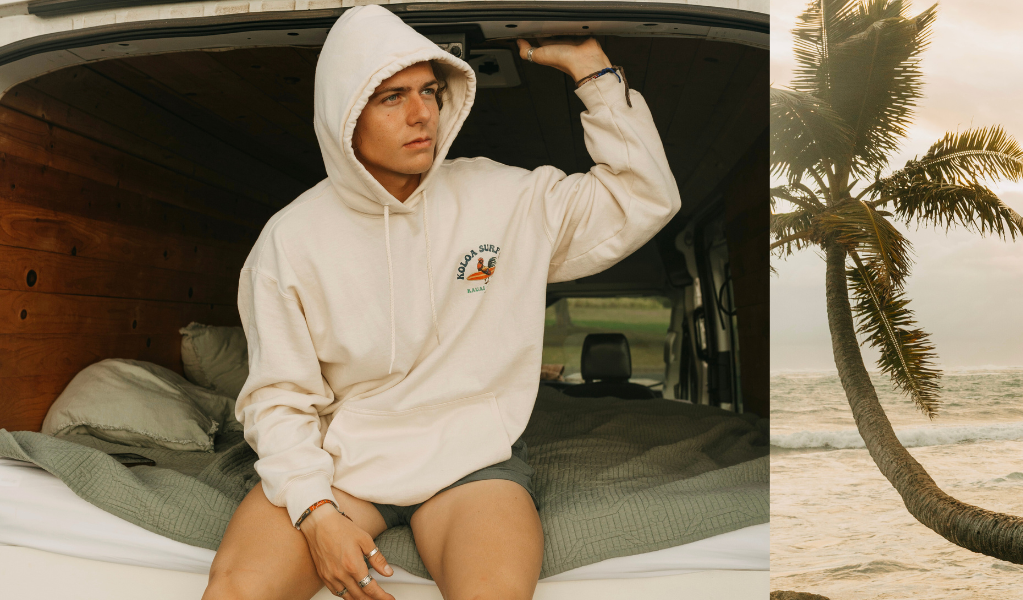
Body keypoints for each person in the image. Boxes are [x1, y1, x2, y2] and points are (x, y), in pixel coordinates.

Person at [202, 5, 679, 600]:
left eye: (429, 90)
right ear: (343, 114)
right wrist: (316, 513)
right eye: (392, 98)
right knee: (235, 592)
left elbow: (644, 195)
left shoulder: (502, 196)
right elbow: (278, 398)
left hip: (471, 460)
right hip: (344, 461)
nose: (422, 112)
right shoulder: (290, 239)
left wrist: (594, 72)